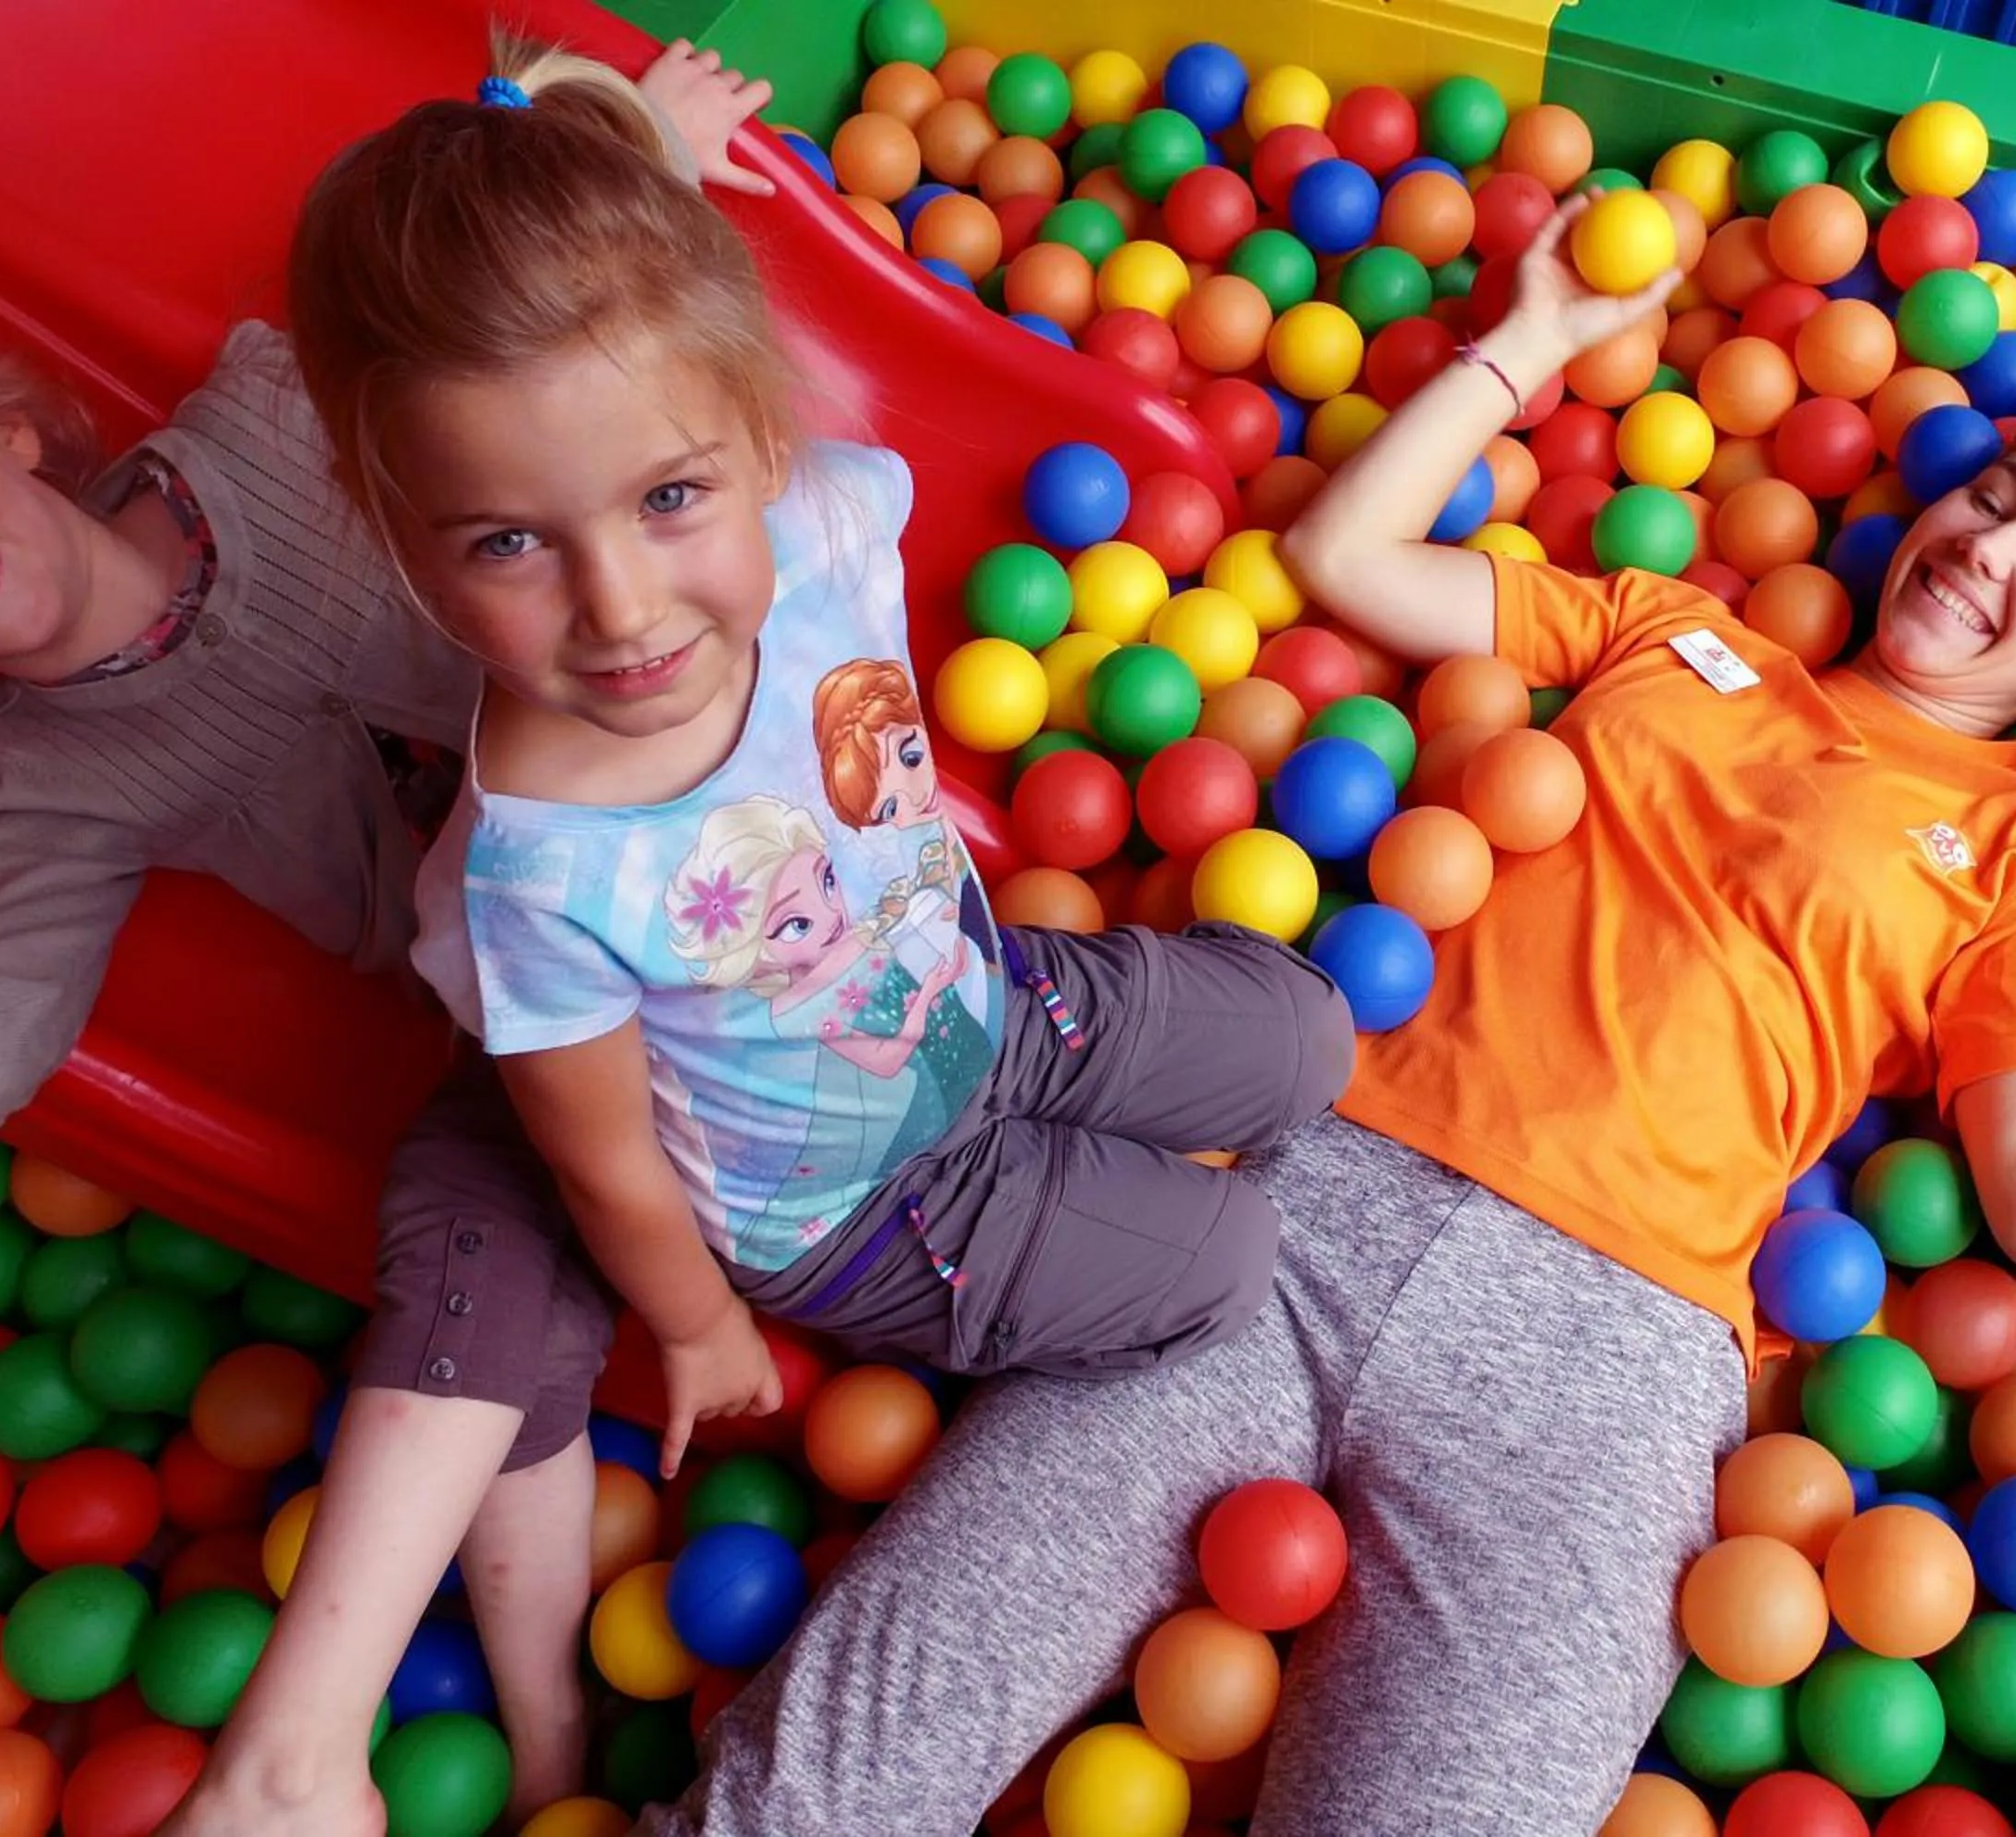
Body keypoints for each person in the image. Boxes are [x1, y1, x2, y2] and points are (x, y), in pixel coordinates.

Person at [628, 195, 2016, 1835]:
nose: (1987, 548)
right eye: (1999, 497)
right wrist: (1537, 334)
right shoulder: (1672, 629)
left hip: (1607, 1360)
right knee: (854, 1736)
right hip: (1273, 1223)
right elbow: (1346, 552)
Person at [179, 35, 1350, 1836]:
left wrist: (636, 147)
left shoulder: (824, 516)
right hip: (862, 1204)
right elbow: (605, 1160)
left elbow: (671, 344)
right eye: (508, 543)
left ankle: (1095, 1153)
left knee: (1308, 1040)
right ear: (407, 551)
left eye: (668, 499)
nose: (622, 606)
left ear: (754, 435)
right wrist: (702, 1320)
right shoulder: (543, 875)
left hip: (990, 999)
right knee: (1226, 1262)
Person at [0, 44, 778, 1829]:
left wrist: (648, 158)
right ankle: (545, 1734)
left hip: (741, 882)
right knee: (477, 1256)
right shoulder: (39, 794)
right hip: (542, 1052)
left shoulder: (277, 418)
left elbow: (526, 371)